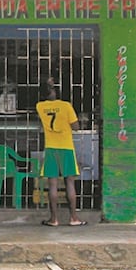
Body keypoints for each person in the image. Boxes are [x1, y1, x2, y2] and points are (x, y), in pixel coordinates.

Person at [35, 79, 87, 227]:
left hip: (51, 148)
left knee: (52, 184)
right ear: (53, 92)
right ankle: (74, 218)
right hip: (66, 147)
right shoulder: (66, 106)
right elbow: (75, 127)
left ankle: (54, 219)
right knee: (69, 182)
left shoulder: (40, 106)